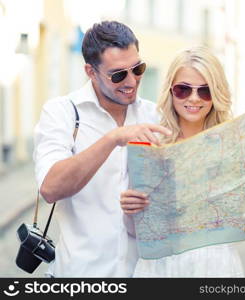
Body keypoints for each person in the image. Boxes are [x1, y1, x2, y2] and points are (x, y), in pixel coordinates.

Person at [120, 46, 245, 277]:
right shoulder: (150, 144)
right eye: (183, 89)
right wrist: (130, 209)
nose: (194, 98)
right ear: (170, 91)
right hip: (161, 268)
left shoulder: (235, 146)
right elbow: (136, 230)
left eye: (205, 91)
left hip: (215, 267)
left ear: (216, 93)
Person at [33, 20, 172, 277]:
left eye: (138, 69)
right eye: (119, 74)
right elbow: (51, 189)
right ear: (91, 71)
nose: (132, 81)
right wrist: (113, 139)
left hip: (141, 274)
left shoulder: (154, 115)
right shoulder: (62, 112)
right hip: (80, 276)